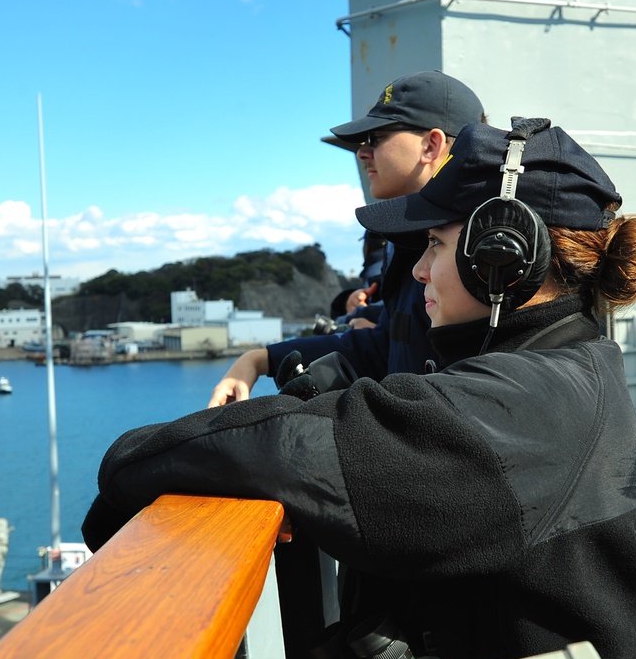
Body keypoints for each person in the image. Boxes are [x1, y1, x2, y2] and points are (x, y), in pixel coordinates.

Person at [82, 118, 636, 659]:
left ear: (503, 257)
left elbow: (302, 448)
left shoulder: (528, 403)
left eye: (435, 245)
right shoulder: (565, 365)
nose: (418, 272)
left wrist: (125, 468)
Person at [208, 70, 486, 407]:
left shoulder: (474, 257)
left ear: (432, 145)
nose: (362, 152)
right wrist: (260, 358)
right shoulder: (412, 241)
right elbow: (388, 341)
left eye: (377, 138)